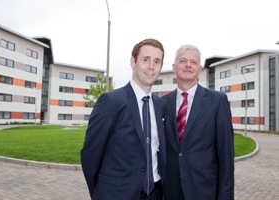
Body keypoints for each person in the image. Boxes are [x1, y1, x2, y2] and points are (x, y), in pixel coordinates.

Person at [81, 38, 168, 200]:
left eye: (157, 61)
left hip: (155, 194)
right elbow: (90, 154)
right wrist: (100, 193)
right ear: (133, 62)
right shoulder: (111, 102)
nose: (151, 67)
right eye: (145, 60)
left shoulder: (161, 106)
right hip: (117, 194)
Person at [162, 44, 234, 200]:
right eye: (183, 61)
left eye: (193, 62)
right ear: (174, 67)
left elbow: (226, 155)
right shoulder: (161, 104)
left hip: (205, 191)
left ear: (199, 69)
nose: (188, 65)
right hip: (169, 192)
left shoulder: (218, 101)